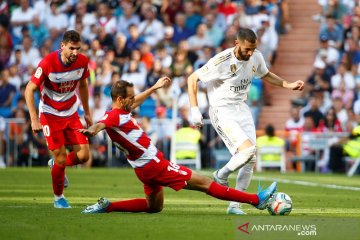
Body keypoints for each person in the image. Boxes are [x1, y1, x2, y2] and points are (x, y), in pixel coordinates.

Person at [79, 78, 277, 214]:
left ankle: (108, 207)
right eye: (130, 96)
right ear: (121, 99)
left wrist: (154, 88)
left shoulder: (117, 111)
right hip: (155, 166)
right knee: (207, 184)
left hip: (143, 168)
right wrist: (93, 130)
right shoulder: (113, 116)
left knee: (154, 207)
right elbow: (101, 125)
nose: (134, 99)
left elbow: (133, 104)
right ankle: (256, 200)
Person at [187, 28, 304, 215]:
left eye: (253, 49)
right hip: (222, 110)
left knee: (251, 159)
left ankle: (234, 206)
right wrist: (194, 111)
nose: (250, 53)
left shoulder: (256, 57)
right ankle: (221, 175)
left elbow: (265, 74)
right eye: (247, 49)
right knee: (248, 150)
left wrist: (288, 85)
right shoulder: (221, 61)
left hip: (242, 109)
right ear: (237, 44)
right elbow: (192, 79)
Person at [24, 30, 92, 208]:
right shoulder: (48, 63)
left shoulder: (83, 62)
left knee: (84, 156)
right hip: (49, 115)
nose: (75, 53)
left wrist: (87, 111)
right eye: (71, 48)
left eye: (78, 48)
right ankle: (58, 198)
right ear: (62, 46)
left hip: (71, 113)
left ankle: (55, 165)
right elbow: (29, 89)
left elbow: (83, 84)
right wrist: (34, 119)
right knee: (62, 157)